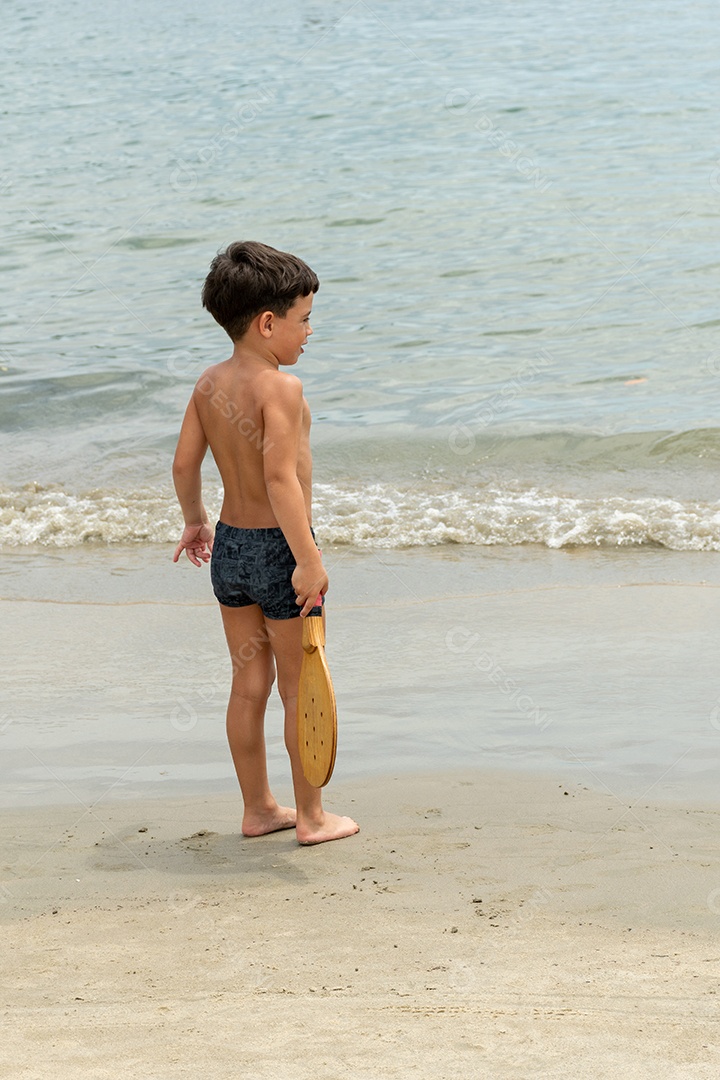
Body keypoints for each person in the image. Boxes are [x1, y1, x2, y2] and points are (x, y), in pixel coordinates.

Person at [171, 241, 359, 845]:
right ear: (268, 323)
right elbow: (282, 481)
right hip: (281, 551)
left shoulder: (208, 383)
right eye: (304, 319)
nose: (310, 332)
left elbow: (182, 465)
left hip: (229, 549)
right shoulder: (281, 389)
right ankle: (311, 817)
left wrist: (195, 520)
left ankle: (259, 809)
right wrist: (308, 559)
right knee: (299, 686)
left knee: (247, 685)